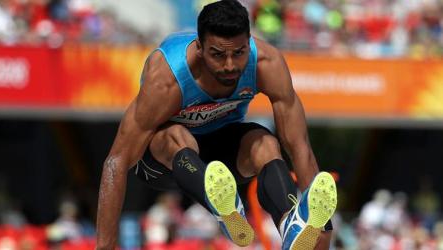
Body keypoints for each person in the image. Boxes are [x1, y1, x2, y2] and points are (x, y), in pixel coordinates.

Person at [95, 1, 337, 249]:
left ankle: (291, 223)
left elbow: (299, 147)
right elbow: (117, 160)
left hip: (222, 157)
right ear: (200, 48)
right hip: (164, 162)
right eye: (218, 55)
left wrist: (321, 231)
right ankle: (222, 207)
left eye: (239, 53)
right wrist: (106, 246)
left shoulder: (267, 63)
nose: (230, 65)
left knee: (266, 143)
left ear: (249, 42)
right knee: (177, 135)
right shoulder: (166, 79)